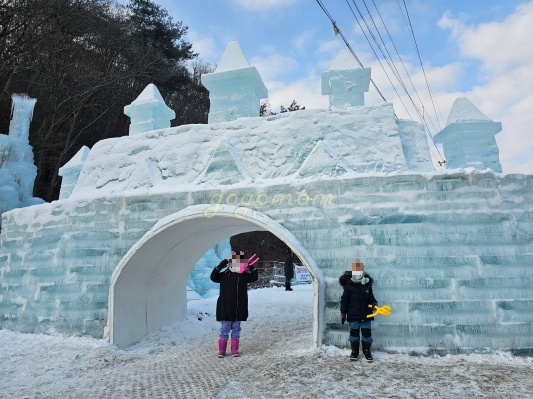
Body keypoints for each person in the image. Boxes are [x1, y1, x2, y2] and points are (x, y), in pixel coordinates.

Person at [210, 251, 259, 358]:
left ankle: (234, 349)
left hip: (238, 308)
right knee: (224, 329)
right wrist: (221, 265)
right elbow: (213, 277)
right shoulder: (224, 275)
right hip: (226, 307)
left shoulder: (244, 276)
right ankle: (221, 350)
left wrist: (251, 267)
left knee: (236, 329)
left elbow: (254, 277)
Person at [339, 259, 378, 362]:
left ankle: (366, 351)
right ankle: (355, 352)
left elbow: (371, 297)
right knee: (354, 333)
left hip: (366, 313)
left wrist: (374, 304)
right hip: (353, 314)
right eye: (355, 271)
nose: (358, 273)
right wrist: (343, 313)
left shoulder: (367, 285)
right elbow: (344, 300)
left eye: (360, 271)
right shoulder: (348, 286)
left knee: (366, 333)